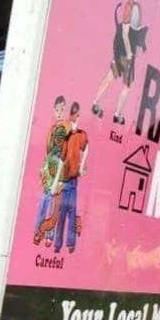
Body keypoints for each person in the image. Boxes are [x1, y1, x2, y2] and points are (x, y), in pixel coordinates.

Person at [92, 0, 146, 125]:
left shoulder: (138, 7)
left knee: (122, 82)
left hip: (128, 53)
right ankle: (104, 107)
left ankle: (108, 109)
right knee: (118, 80)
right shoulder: (130, 6)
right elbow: (124, 33)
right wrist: (129, 53)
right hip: (125, 53)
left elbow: (134, 32)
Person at [52, 102, 90, 254]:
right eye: (75, 116)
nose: (76, 119)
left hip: (71, 180)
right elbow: (62, 159)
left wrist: (81, 166)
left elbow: (86, 148)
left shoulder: (81, 134)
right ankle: (62, 244)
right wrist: (56, 182)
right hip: (66, 180)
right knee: (65, 213)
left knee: (69, 212)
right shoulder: (70, 137)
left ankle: (66, 244)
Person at [34, 95, 69, 246]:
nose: (60, 112)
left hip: (60, 172)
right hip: (49, 169)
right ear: (54, 111)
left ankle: (49, 235)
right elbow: (48, 152)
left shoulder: (67, 130)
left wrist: (59, 179)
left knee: (54, 205)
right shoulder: (52, 129)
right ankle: (38, 232)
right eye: (57, 110)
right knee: (44, 202)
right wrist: (43, 167)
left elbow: (65, 154)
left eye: (62, 109)